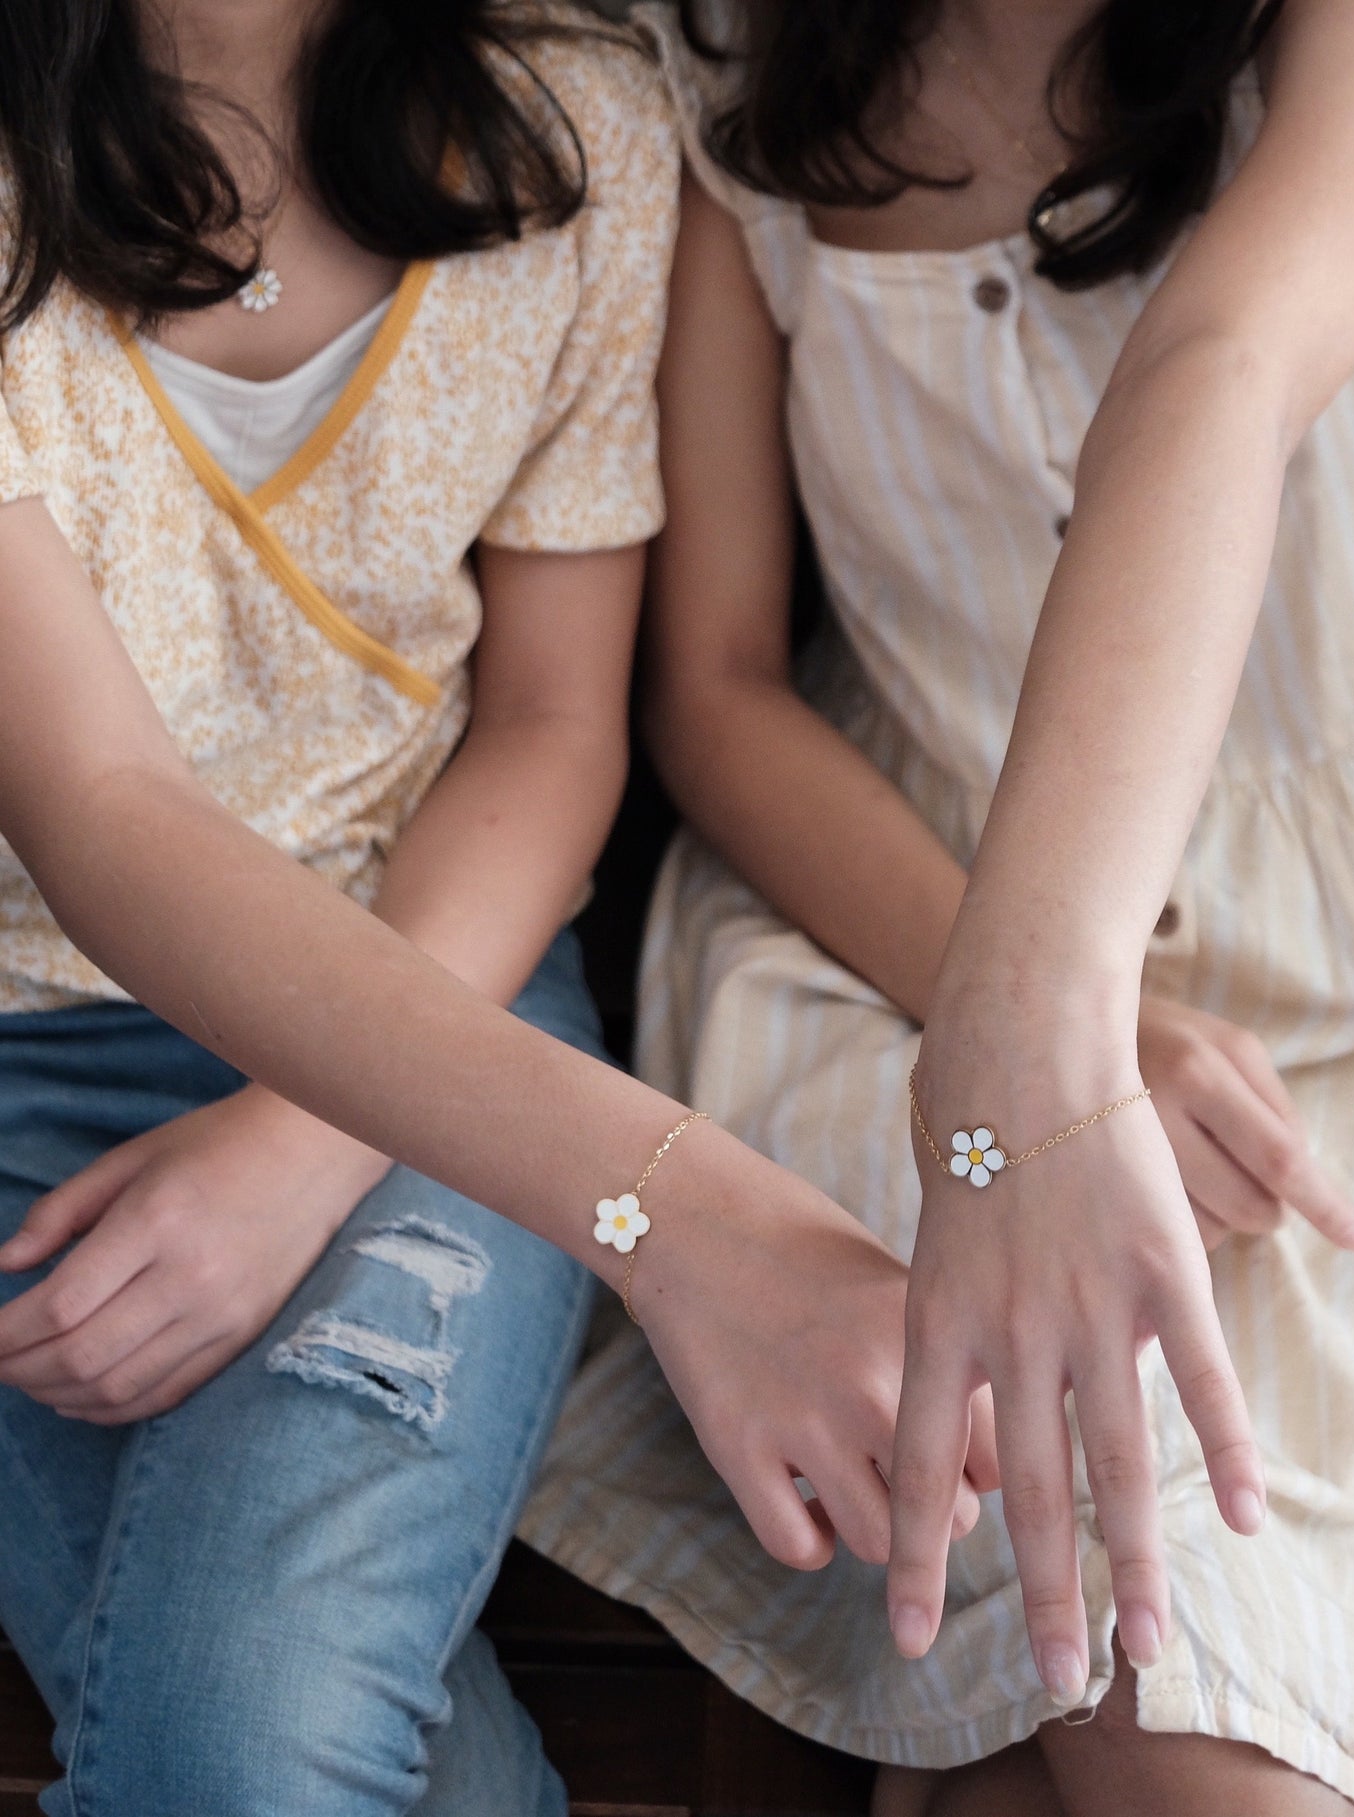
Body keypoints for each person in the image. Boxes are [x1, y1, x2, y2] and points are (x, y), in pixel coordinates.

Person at [0, 4, 964, 1812]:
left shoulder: (572, 122)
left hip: (443, 1003)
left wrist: (300, 1139)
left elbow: (549, 725)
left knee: (249, 1749)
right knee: (289, 1766)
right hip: (22, 1054)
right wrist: (688, 1220)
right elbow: (95, 805)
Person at [520, 1, 1354, 1811]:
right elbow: (713, 685)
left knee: (1057, 1756)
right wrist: (999, 992)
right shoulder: (717, 75)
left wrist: (1047, 999)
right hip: (893, 930)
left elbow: (1224, 361)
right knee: (1148, 1692)